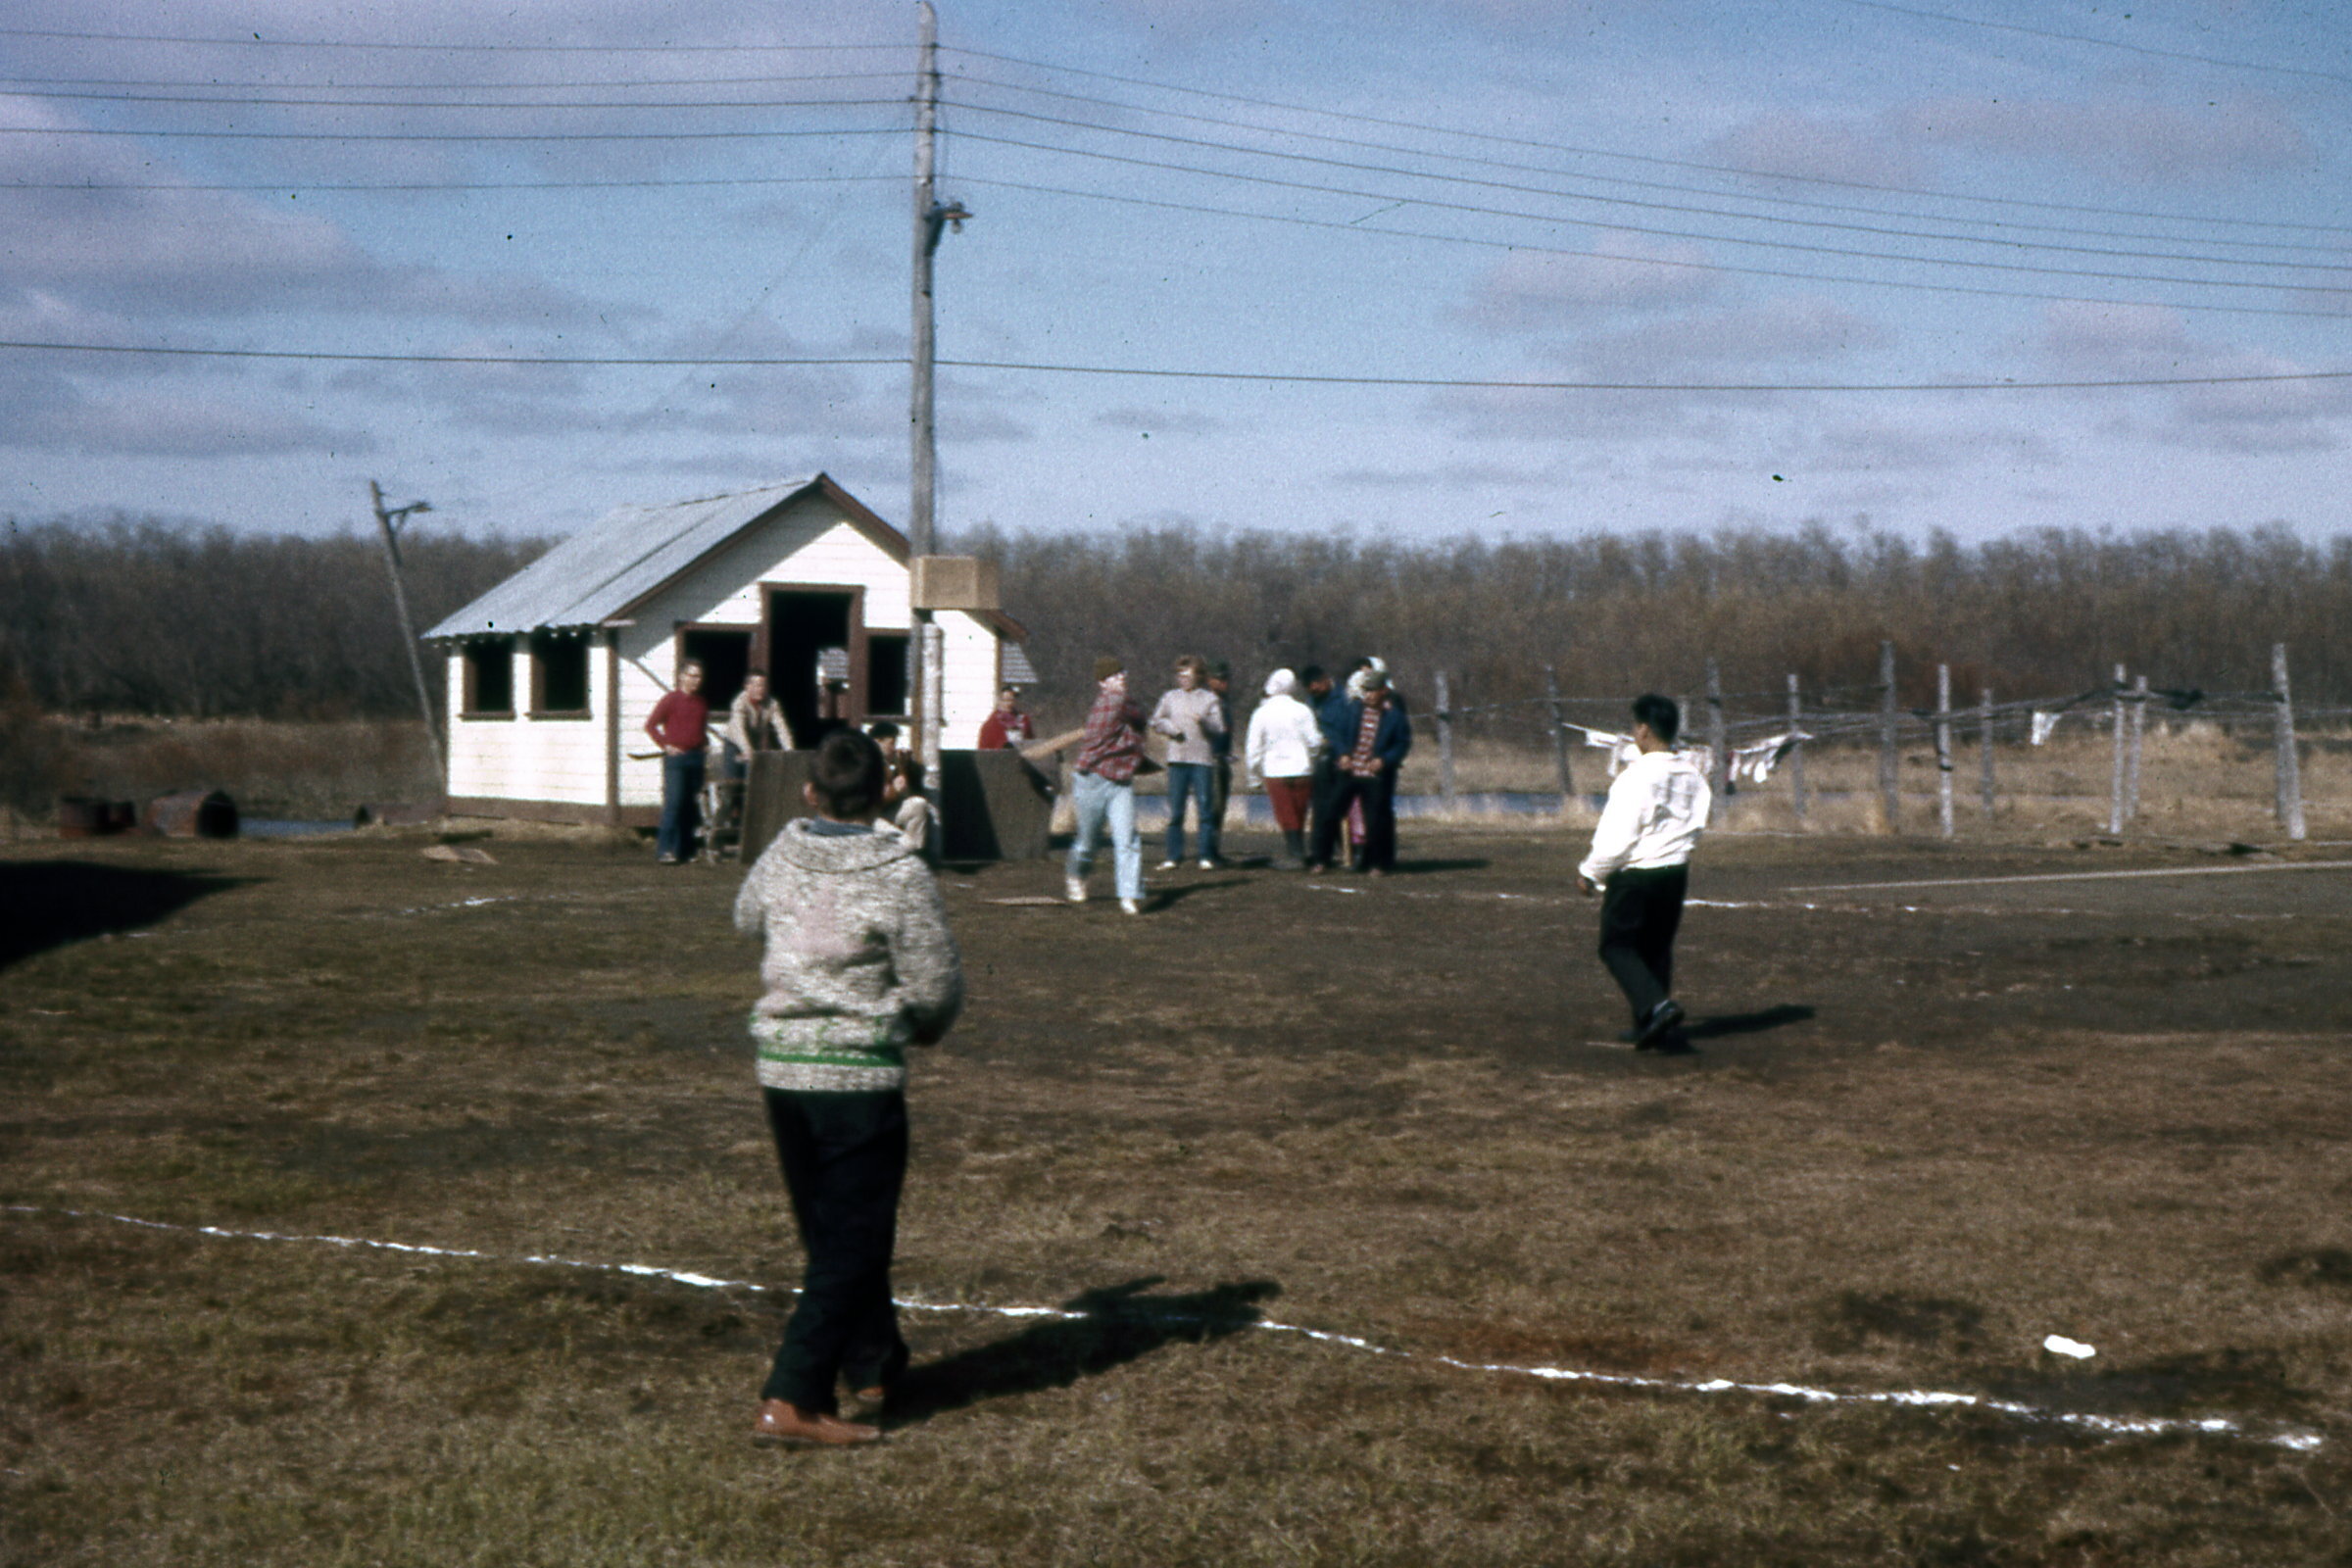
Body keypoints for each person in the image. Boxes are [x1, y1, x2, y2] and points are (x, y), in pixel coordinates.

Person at [735, 727, 963, 1446]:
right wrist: (922, 1026)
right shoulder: (898, 869)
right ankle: (792, 1395)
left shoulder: (781, 850)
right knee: (853, 1240)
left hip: (781, 1068)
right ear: (887, 791)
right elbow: (935, 982)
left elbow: (745, 917)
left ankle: (872, 1363)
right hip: (857, 1073)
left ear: (810, 792)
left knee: (832, 1232)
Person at [1577, 693, 1711, 1054]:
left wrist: (1590, 871)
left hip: (1637, 874)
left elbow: (1617, 838)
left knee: (1616, 946)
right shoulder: (1692, 774)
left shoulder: (1634, 777)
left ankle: (1659, 1007)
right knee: (1656, 949)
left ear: (1644, 730)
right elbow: (1698, 822)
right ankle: (1651, 1025)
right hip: (1675, 872)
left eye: (1636, 725)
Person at [1308, 668, 1411, 876]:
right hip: (1349, 772)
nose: (1369, 695)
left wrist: (1385, 759)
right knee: (1330, 814)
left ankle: (1377, 863)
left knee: (1376, 820)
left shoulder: (1395, 717)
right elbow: (1337, 735)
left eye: (1373, 691)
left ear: (1383, 691)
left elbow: (1402, 744)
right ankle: (1321, 859)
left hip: (1374, 776)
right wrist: (1343, 754)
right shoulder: (1353, 710)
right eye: (1366, 691)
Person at [1066, 656, 1148, 914]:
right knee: (1088, 842)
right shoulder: (1112, 702)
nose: (1120, 677)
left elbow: (1138, 718)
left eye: (1122, 672)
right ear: (1102, 683)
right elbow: (1139, 716)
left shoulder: (1123, 703)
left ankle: (1128, 895)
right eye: (1113, 676)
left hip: (1121, 781)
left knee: (1128, 840)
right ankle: (1076, 875)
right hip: (1093, 779)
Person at [1150, 655, 1225, 869]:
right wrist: (1171, 729)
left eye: (1188, 675)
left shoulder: (1209, 699)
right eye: (1180, 675)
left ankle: (1205, 855)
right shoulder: (1170, 697)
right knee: (1176, 811)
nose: (1183, 679)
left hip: (1202, 761)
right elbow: (1155, 720)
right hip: (1177, 760)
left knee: (1205, 810)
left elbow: (1218, 728)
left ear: (1198, 676)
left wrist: (1204, 723)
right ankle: (1173, 856)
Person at [1246, 667, 1323, 869]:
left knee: (1285, 815)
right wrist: (1311, 759)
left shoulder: (1261, 713)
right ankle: (1297, 852)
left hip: (1275, 771)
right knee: (1299, 813)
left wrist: (1254, 776)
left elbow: (1253, 749)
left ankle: (1296, 854)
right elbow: (1314, 742)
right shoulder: (1303, 710)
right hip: (1302, 769)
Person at [646, 659, 710, 864]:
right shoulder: (671, 700)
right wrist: (666, 745)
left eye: (698, 676)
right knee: (673, 803)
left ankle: (685, 850)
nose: (695, 680)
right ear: (681, 676)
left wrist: (704, 745)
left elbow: (700, 730)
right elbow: (651, 725)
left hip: (696, 758)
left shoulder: (701, 703)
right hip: (677, 759)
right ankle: (664, 850)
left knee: (690, 806)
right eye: (691, 675)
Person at [865, 720, 933, 857]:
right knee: (907, 844)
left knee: (918, 804)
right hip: (867, 818)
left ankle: (916, 856)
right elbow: (875, 801)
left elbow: (904, 790)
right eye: (891, 743)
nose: (894, 748)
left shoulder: (886, 761)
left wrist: (902, 766)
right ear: (878, 741)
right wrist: (895, 790)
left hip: (886, 812)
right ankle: (905, 854)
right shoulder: (866, 760)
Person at [721, 669, 793, 780]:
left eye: (763, 685)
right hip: (734, 743)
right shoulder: (739, 702)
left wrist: (790, 751)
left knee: (754, 779)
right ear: (747, 686)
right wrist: (748, 751)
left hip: (754, 741)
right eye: (756, 685)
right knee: (732, 781)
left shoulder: (772, 704)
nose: (760, 689)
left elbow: (781, 728)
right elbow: (739, 730)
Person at [1203, 660, 1235, 864]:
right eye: (1219, 679)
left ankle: (1213, 849)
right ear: (1210, 680)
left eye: (1226, 679)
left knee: (1220, 807)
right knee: (1213, 807)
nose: (1224, 683)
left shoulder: (1224, 703)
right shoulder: (1208, 703)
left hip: (1224, 758)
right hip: (1211, 759)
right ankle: (1208, 851)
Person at [976, 686, 1034, 751]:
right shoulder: (991, 724)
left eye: (1012, 700)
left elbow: (1031, 745)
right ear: (999, 701)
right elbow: (983, 751)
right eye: (1006, 700)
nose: (1009, 703)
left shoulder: (1024, 720)